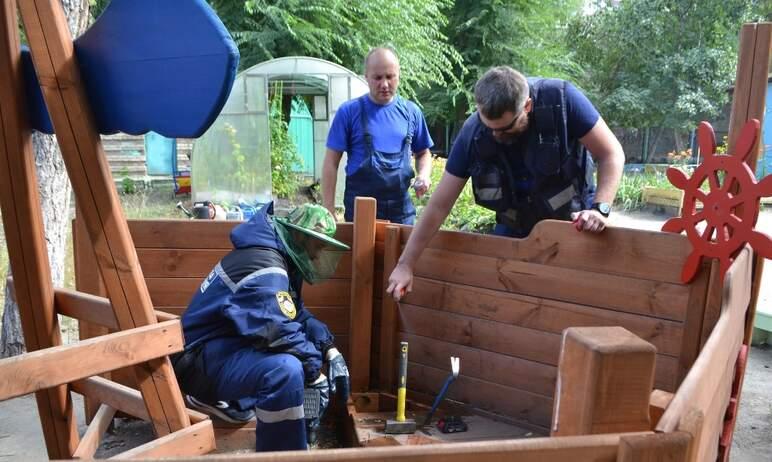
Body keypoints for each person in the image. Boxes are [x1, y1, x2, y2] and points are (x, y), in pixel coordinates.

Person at [387, 66, 625, 300]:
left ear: (527, 106)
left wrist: (600, 208)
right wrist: (405, 265)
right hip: (514, 226)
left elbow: (611, 153)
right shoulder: (473, 132)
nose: (496, 135)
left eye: (505, 128)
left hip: (571, 222)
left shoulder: (562, 100)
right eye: (488, 127)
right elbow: (439, 205)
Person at [172, 202, 351, 452]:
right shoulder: (265, 264)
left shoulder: (279, 256)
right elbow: (275, 328)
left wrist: (330, 350)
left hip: (218, 349)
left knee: (294, 358)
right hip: (197, 362)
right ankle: (284, 456)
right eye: (317, 245)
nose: (318, 255)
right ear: (299, 236)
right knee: (286, 371)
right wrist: (314, 373)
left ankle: (236, 403)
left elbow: (294, 315)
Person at [322, 47, 434, 224]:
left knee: (403, 252)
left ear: (399, 75)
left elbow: (423, 153)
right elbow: (331, 162)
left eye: (390, 77)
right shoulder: (349, 112)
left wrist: (424, 174)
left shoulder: (412, 112)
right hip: (361, 209)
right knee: (361, 252)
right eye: (378, 77)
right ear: (366, 76)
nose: (384, 84)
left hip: (401, 211)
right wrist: (328, 209)